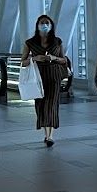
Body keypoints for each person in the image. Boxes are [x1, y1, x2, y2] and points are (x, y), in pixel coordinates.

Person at [21, 15, 69, 147]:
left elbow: (63, 60)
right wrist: (35, 58)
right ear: (37, 25)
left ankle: (50, 136)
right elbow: (23, 62)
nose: (44, 25)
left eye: (47, 22)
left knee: (52, 104)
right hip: (37, 77)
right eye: (42, 23)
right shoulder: (30, 43)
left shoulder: (57, 41)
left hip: (54, 76)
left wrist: (53, 58)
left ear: (51, 25)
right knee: (41, 104)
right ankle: (45, 133)